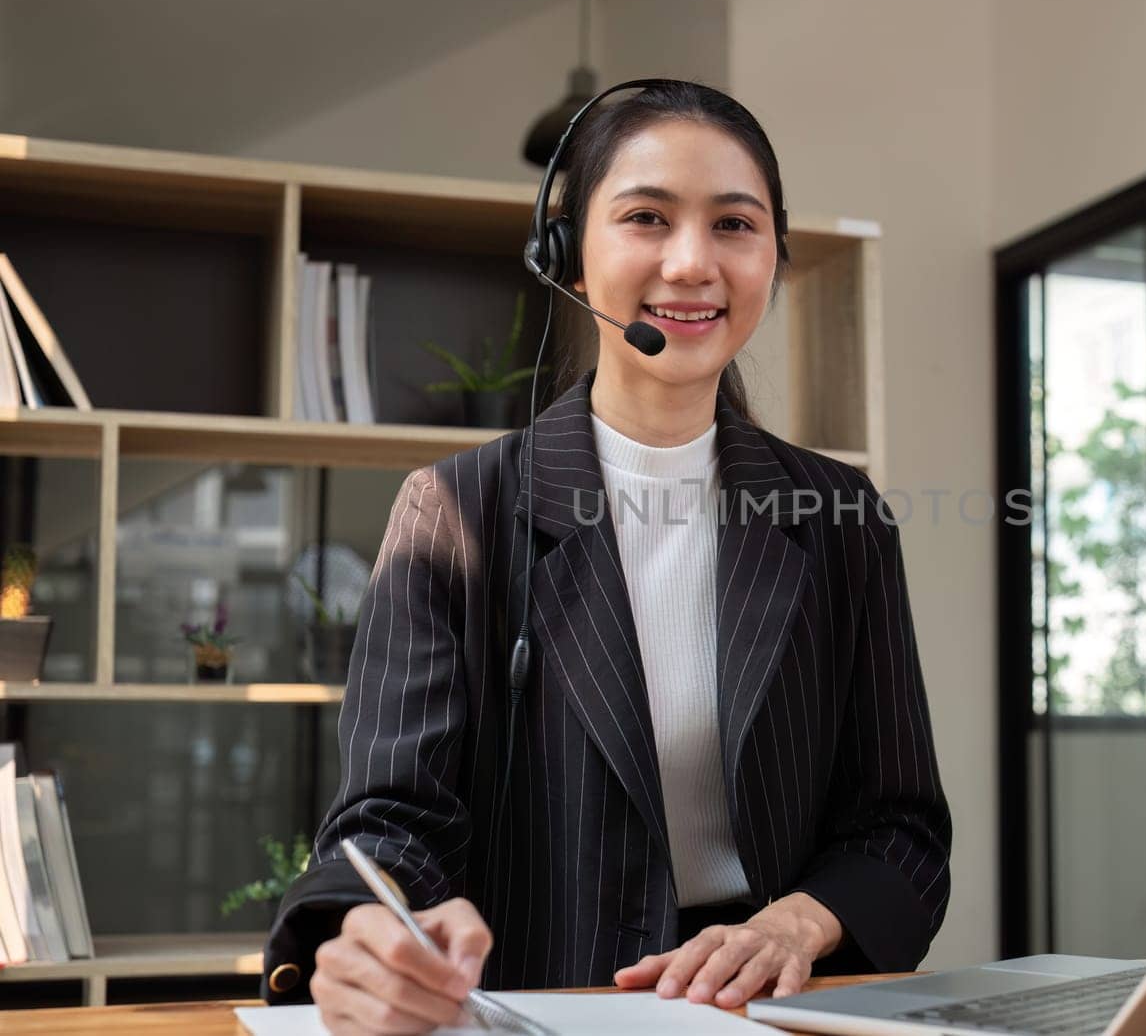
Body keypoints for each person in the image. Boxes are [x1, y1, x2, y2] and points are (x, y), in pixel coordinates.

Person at [261, 80, 951, 1035]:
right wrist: (364, 934)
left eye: (735, 225)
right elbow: (389, 819)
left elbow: (901, 828)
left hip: (769, 1008)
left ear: (773, 259)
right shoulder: (453, 510)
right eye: (646, 217)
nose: (691, 261)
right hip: (540, 1002)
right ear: (568, 260)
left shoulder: (840, 517)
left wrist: (800, 919)